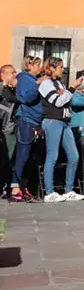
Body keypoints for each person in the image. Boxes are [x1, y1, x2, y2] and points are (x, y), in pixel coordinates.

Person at [38, 58, 84, 202]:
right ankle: (49, 192)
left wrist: (65, 93)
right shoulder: (46, 84)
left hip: (64, 121)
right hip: (52, 121)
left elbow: (66, 100)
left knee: (74, 156)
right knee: (52, 156)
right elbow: (58, 101)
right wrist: (70, 89)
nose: (62, 70)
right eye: (60, 67)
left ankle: (68, 190)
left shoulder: (59, 83)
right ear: (51, 68)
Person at [10, 56, 43, 202]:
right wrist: (37, 84)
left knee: (30, 156)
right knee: (23, 154)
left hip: (35, 120)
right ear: (30, 65)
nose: (40, 68)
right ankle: (15, 187)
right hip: (27, 119)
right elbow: (27, 98)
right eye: (37, 65)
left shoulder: (32, 79)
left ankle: (24, 186)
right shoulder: (24, 78)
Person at [1, 65, 19, 196]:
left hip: (11, 129)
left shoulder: (14, 91)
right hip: (4, 130)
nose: (15, 75)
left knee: (9, 160)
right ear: (3, 75)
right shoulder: (2, 90)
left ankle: (7, 186)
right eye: (12, 73)